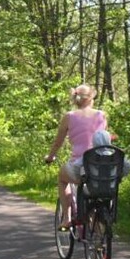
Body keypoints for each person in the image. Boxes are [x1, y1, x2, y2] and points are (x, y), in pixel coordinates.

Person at [45, 84, 107, 230]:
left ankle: (66, 218)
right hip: (100, 164)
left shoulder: (69, 117)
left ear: (75, 99)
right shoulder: (101, 115)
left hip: (80, 165)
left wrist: (50, 156)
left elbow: (58, 142)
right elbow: (102, 138)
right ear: (91, 98)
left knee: (62, 178)